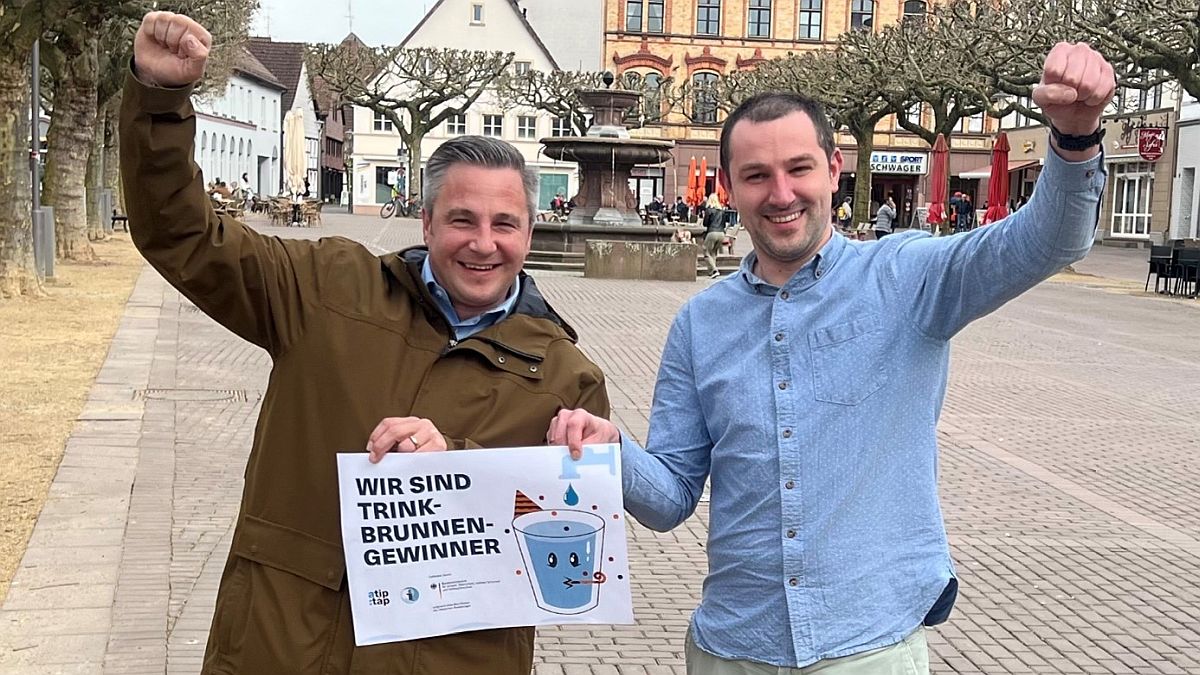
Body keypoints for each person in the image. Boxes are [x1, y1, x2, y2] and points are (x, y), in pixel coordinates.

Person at [546, 41, 1113, 673]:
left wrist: (1075, 135)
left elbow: (1046, 242)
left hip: (867, 646)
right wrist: (607, 447)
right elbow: (671, 497)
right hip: (734, 648)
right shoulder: (700, 324)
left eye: (798, 169)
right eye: (757, 176)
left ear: (834, 168)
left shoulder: (908, 278)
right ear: (729, 187)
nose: (781, 193)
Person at [122, 11, 609, 674]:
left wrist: (465, 469)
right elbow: (182, 236)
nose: (483, 242)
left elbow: (570, 560)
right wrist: (159, 99)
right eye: (461, 219)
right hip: (282, 645)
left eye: (505, 223)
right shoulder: (328, 286)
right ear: (427, 219)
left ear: (530, 232)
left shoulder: (566, 375)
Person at [701, 193, 726, 279]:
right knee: (714, 252)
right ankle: (712, 272)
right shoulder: (722, 211)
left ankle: (714, 270)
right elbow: (724, 224)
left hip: (712, 232)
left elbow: (705, 223)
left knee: (706, 250)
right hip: (721, 233)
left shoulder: (709, 210)